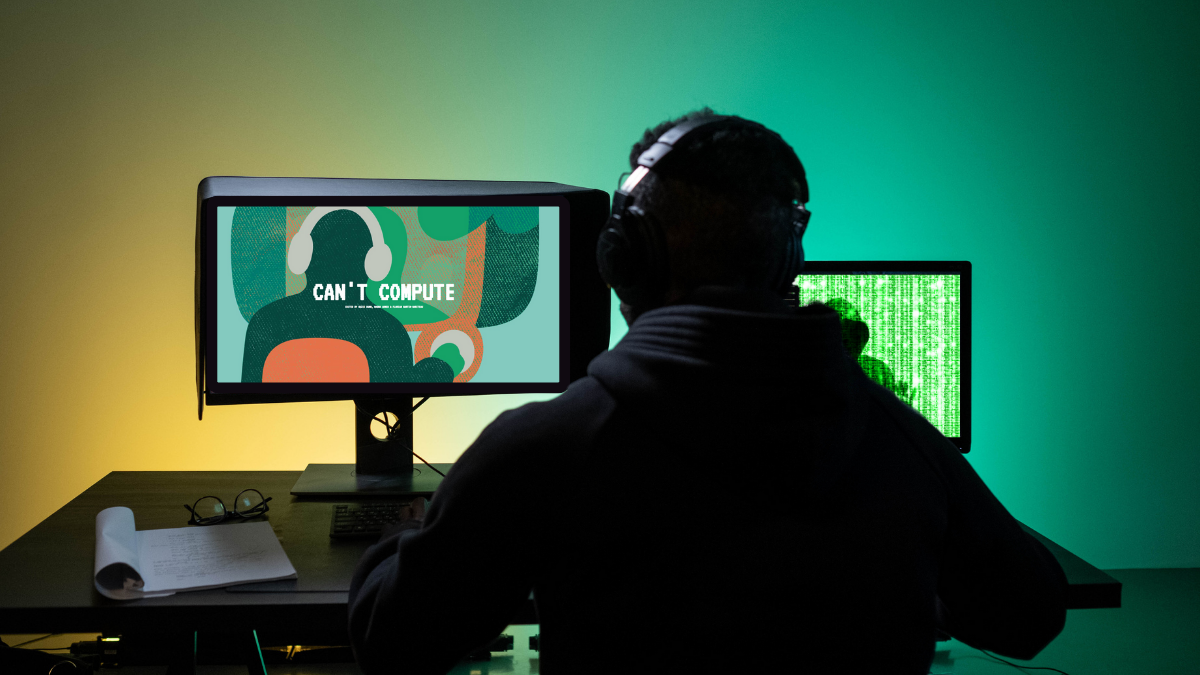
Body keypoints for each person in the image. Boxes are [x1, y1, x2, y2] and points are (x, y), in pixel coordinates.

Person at [347, 110, 1068, 674]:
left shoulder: (547, 446)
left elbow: (393, 643)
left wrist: (402, 536)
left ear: (626, 256)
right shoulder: (899, 438)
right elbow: (1031, 616)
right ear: (786, 260)